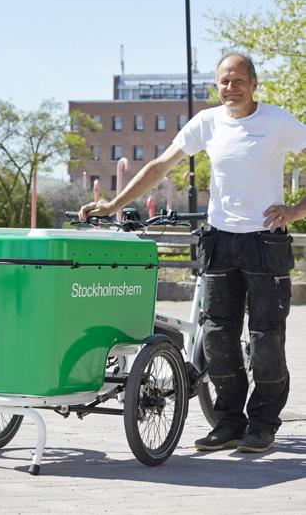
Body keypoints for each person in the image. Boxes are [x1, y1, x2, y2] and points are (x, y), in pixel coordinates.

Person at [79, 52, 306, 453]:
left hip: (265, 242)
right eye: (223, 81)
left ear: (254, 84)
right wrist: (113, 205)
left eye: (238, 80)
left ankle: (263, 423)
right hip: (220, 240)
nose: (230, 88)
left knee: (265, 337)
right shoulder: (207, 122)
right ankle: (230, 421)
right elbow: (161, 166)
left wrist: (295, 210)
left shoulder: (277, 121)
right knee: (217, 337)